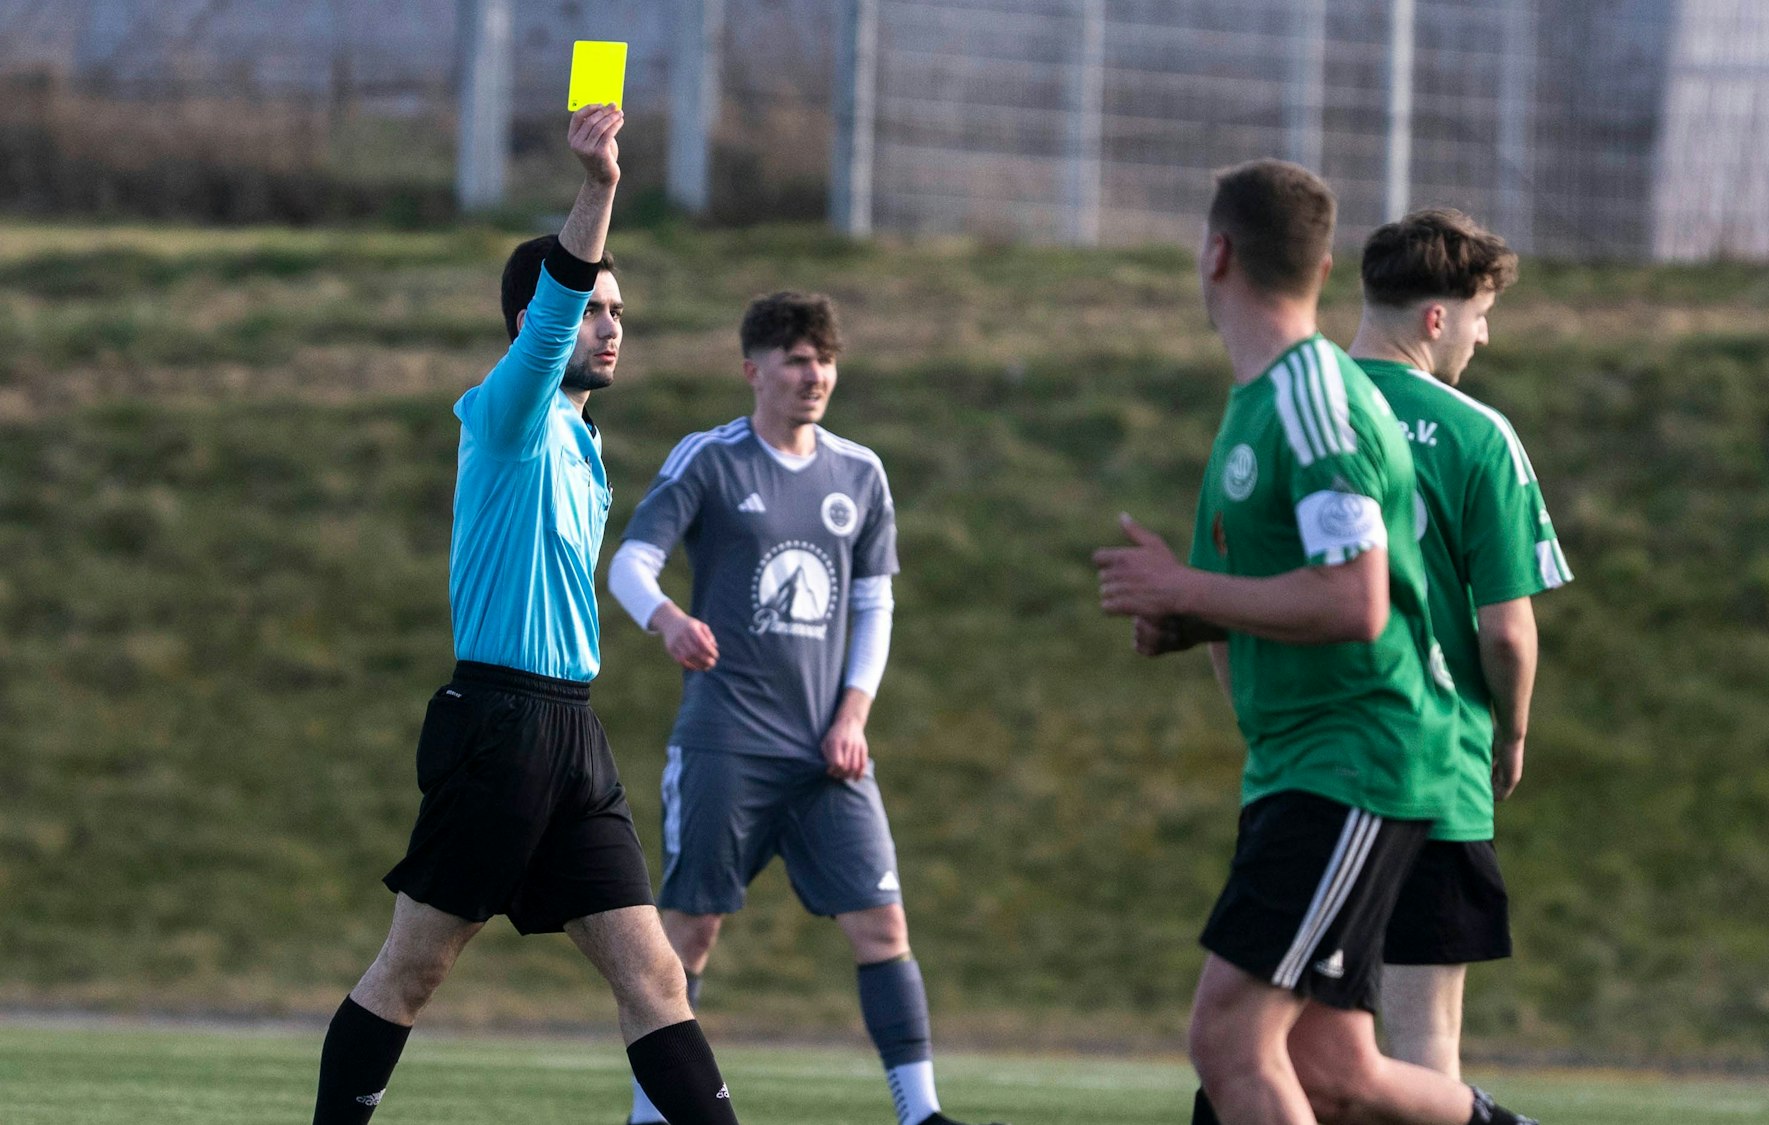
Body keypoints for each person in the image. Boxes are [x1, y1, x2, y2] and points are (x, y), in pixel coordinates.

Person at [309, 106, 738, 1125]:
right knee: (411, 970)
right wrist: (599, 186)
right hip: (497, 728)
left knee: (656, 978)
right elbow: (554, 315)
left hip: (572, 735)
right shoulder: (508, 415)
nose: (611, 326)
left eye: (620, 312)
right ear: (531, 325)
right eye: (594, 309)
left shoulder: (585, 450)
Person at [1093, 159, 1536, 1125]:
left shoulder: (1312, 398)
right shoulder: (1263, 399)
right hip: (1311, 762)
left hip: (1352, 763)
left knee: (1230, 1040)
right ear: (1325, 268)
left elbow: (1356, 602)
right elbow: (1307, 590)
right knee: (1333, 1067)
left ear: (1215, 254)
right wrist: (1194, 616)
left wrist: (1185, 587)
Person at [607, 292, 999, 1125]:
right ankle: (652, 1115)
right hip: (725, 742)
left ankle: (921, 1114)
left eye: (825, 359)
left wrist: (853, 714)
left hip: (827, 751)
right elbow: (631, 564)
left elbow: (874, 604)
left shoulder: (860, 472)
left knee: (883, 924)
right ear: (753, 370)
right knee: (690, 933)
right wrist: (668, 618)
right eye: (795, 359)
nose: (814, 374)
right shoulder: (710, 459)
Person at [1346, 209, 1572, 1080]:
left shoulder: (1288, 416)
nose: (1484, 336)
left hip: (1310, 768)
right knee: (1424, 1042)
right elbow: (1506, 630)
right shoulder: (1479, 434)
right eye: (1480, 315)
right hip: (1436, 767)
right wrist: (1511, 732)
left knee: (1275, 1039)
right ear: (1436, 317)